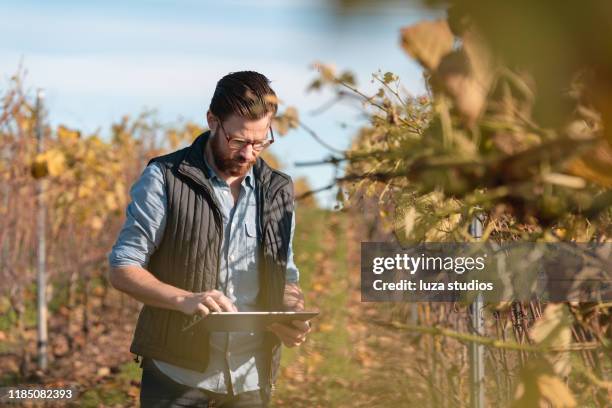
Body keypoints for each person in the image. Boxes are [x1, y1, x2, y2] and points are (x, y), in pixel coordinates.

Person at [107, 71, 310, 408]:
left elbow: (285, 274)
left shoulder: (278, 189)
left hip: (251, 379)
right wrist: (182, 299)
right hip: (176, 376)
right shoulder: (165, 178)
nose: (248, 154)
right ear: (212, 121)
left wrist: (292, 311)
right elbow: (122, 268)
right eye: (239, 141)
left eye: (260, 142)